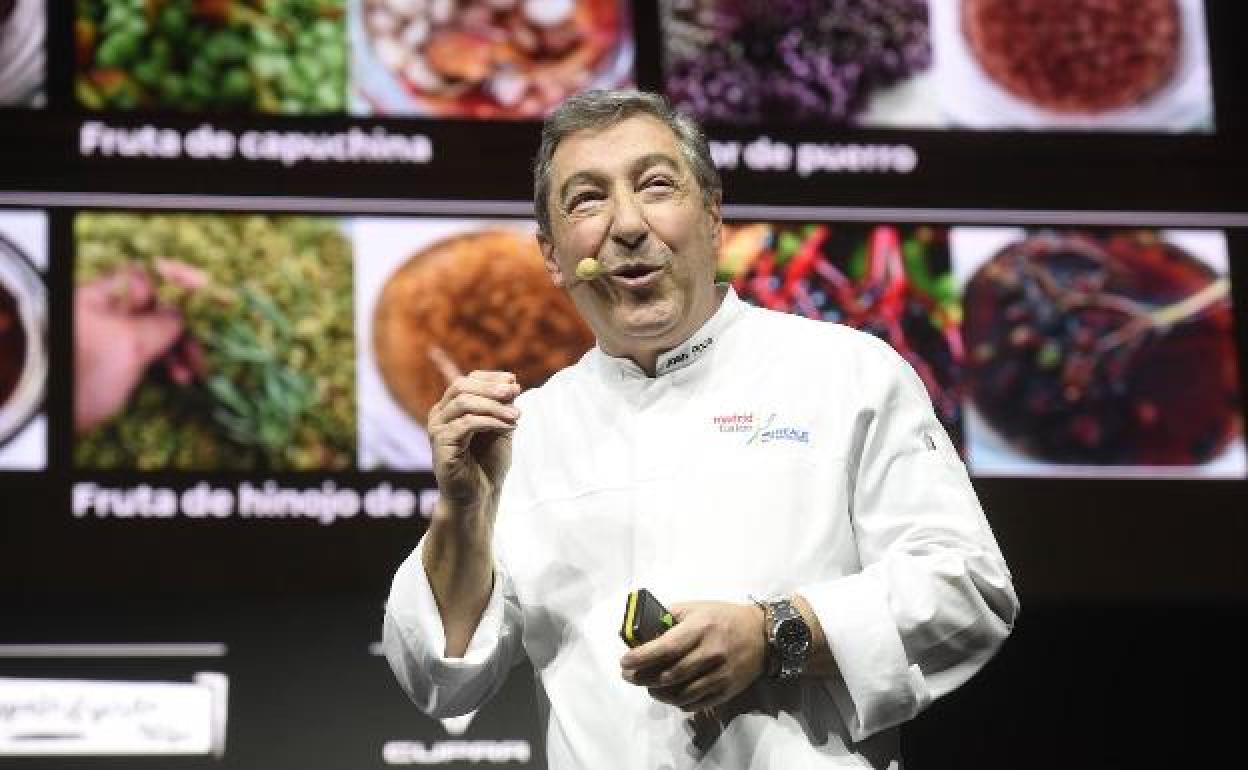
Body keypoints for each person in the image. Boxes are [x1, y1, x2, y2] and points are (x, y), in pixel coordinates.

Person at [383, 89, 1018, 768]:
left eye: (656, 185)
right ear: (552, 254)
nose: (626, 224)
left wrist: (775, 632)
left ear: (713, 217)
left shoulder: (846, 372)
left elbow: (967, 586)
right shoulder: (526, 431)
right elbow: (441, 676)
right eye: (587, 199)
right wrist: (462, 509)